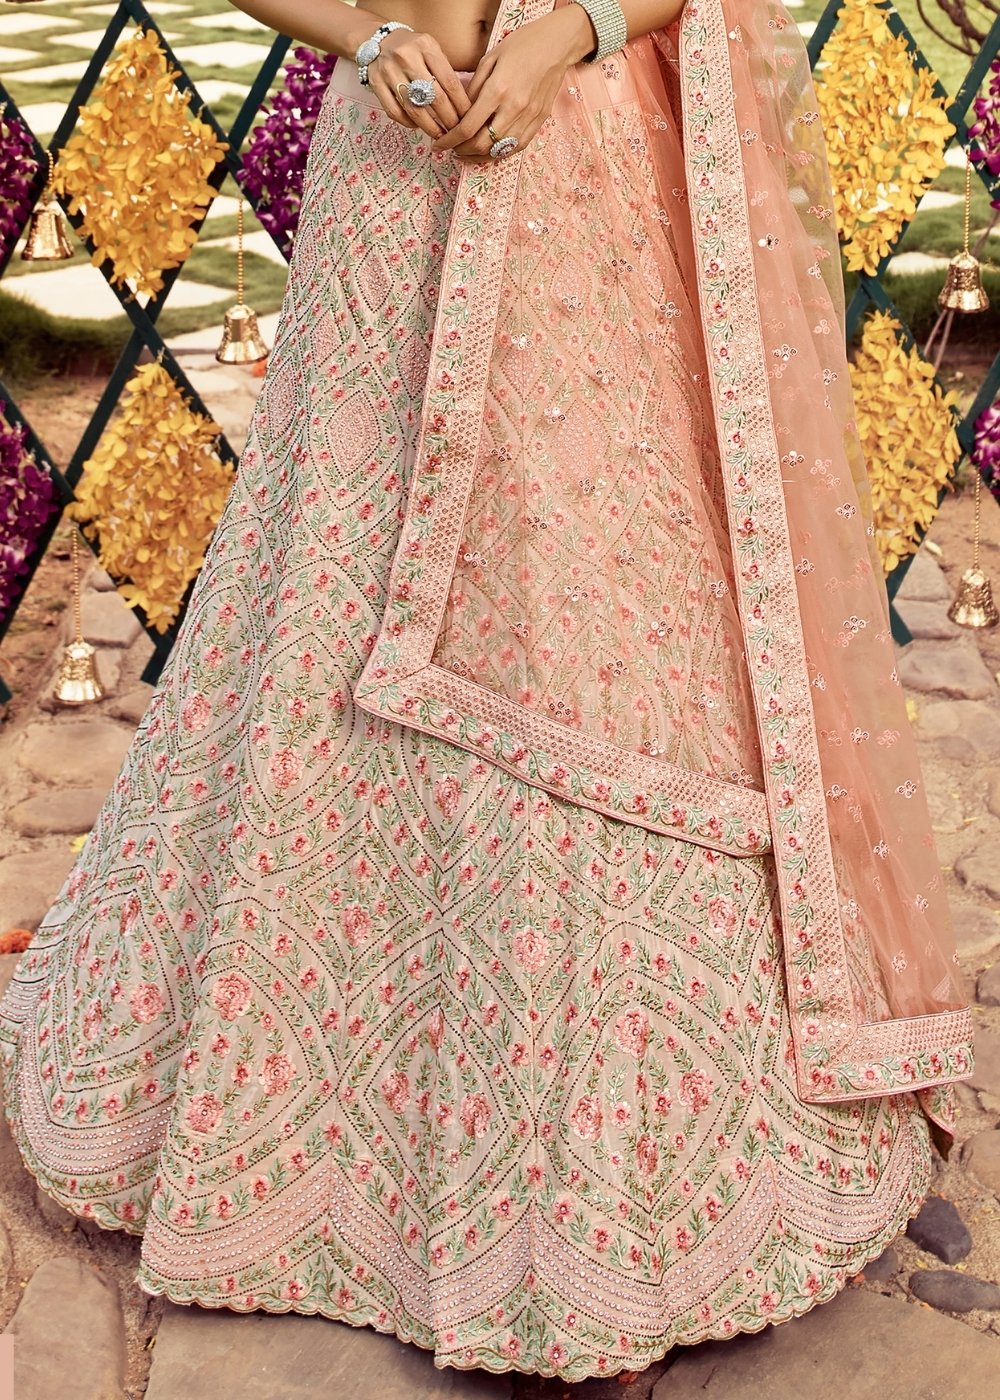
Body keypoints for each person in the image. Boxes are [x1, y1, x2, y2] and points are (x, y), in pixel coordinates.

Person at [0, 0, 974, 1382]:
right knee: (337, 592)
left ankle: (613, 1194)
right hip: (391, 187)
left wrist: (569, 34)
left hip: (586, 180)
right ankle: (311, 1141)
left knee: (598, 616)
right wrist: (367, 38)